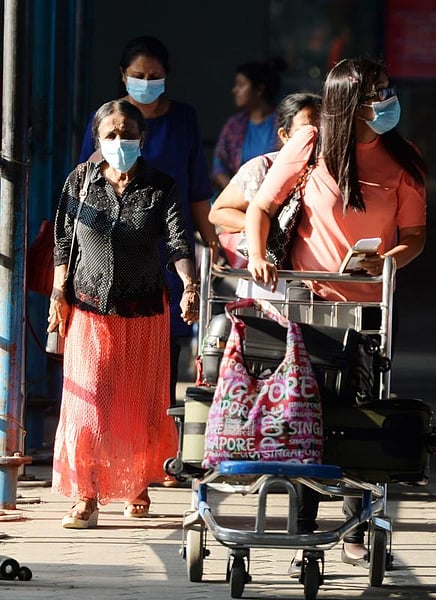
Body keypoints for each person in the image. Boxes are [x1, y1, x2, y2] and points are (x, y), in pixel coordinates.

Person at [244, 57, 426, 573]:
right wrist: (259, 255)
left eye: (389, 89)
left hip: (369, 310)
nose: (387, 101)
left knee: (364, 415)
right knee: (309, 417)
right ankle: (303, 528)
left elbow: (414, 238)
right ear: (348, 101)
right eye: (376, 93)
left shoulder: (403, 159)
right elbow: (260, 206)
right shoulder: (310, 144)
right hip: (308, 307)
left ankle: (358, 526)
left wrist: (388, 260)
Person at [50, 100, 199, 528]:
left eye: (127, 135)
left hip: (144, 310)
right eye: (111, 135)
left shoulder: (161, 186)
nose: (119, 142)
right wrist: (58, 293)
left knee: (136, 401)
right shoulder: (80, 181)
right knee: (88, 401)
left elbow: (177, 242)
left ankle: (137, 482)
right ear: (97, 139)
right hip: (88, 306)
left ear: (142, 139)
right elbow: (63, 240)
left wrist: (189, 284)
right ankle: (86, 494)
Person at [77, 35, 217, 407]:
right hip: (110, 252)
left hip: (170, 249)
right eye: (139, 74)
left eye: (154, 75)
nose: (146, 81)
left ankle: (156, 429)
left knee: (165, 341)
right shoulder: (105, 119)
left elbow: (197, 188)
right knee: (108, 350)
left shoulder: (183, 118)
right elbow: (79, 189)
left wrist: (212, 245)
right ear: (123, 75)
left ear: (167, 76)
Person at [210, 92, 322, 267]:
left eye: (321, 130)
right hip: (268, 277)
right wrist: (262, 228)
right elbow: (218, 213)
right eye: (305, 131)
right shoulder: (263, 168)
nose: (314, 137)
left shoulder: (332, 170)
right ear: (285, 135)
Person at [211, 59, 286, 191]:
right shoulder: (234, 125)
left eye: (241, 85)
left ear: (259, 89)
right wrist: (235, 192)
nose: (234, 90)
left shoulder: (284, 123)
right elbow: (219, 165)